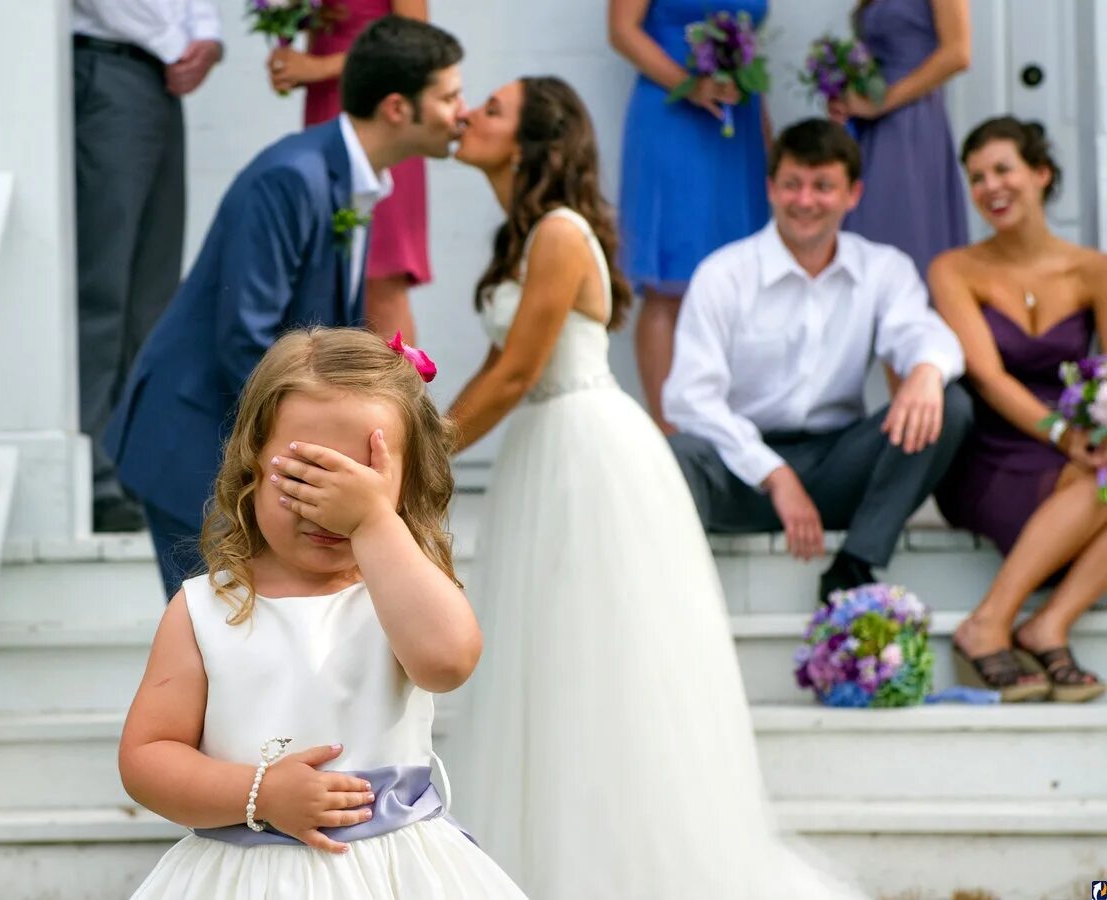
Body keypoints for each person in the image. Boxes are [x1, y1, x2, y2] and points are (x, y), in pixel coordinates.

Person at [311, 74, 863, 898]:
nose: (468, 115)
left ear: (535, 139)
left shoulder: (563, 235)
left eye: (491, 109)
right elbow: (504, 375)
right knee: (544, 658)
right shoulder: (523, 233)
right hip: (544, 451)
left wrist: (417, 463)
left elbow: (515, 373)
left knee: (597, 660)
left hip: (589, 456)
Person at [119, 328, 527, 899]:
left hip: (393, 874)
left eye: (357, 481)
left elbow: (448, 662)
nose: (329, 504)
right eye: (305, 475)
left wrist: (375, 524)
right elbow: (148, 757)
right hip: (246, 876)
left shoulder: (398, 592)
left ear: (405, 485)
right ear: (252, 465)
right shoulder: (206, 609)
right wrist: (257, 792)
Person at [103, 16, 465, 599]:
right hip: (194, 440)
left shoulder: (354, 179)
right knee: (220, 642)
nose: (461, 113)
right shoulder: (290, 179)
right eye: (449, 97)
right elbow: (245, 339)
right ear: (399, 108)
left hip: (242, 447)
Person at [664, 118, 972, 606]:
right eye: (792, 184)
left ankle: (854, 565)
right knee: (677, 455)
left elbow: (924, 334)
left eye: (823, 186)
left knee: (950, 403)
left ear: (854, 194)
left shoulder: (882, 267)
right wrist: (775, 475)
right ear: (771, 188)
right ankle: (679, 593)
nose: (804, 201)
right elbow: (689, 399)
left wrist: (925, 372)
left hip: (838, 466)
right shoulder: (724, 274)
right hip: (743, 472)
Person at [932, 117, 1107, 703]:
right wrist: (1063, 434)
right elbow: (986, 374)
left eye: (1003, 169)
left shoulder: (1093, 270)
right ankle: (989, 623)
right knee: (1100, 482)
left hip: (1077, 445)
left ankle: (1046, 623)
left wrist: (1093, 429)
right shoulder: (954, 268)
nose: (990, 187)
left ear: (1041, 174)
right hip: (991, 449)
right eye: (976, 177)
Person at [73, 0, 224, 532]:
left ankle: (139, 467)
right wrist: (170, 40)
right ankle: (95, 473)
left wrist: (206, 35)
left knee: (153, 294)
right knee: (103, 289)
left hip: (157, 83)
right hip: (107, 64)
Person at [610, 0, 772, 433]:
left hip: (739, 124)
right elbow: (623, 31)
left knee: (743, 280)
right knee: (668, 282)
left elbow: (751, 46)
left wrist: (767, 139)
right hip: (672, 113)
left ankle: (735, 433)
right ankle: (671, 442)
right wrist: (691, 86)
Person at [267, 0, 432, 343]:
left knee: (379, 281)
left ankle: (400, 396)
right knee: (327, 280)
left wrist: (318, 66)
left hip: (380, 121)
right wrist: (292, 62)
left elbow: (416, 41)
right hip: (327, 116)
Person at [830, 0, 970, 278]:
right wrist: (847, 94)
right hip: (870, 123)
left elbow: (958, 54)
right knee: (859, 221)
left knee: (900, 221)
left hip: (909, 120)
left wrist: (882, 104)